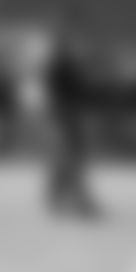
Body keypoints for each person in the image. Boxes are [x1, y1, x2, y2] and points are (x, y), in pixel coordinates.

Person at [38, 14, 103, 220]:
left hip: (66, 113)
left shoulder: (63, 63)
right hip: (65, 114)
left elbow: (76, 90)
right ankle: (73, 199)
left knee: (68, 158)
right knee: (69, 158)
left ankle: (64, 197)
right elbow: (70, 90)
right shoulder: (61, 64)